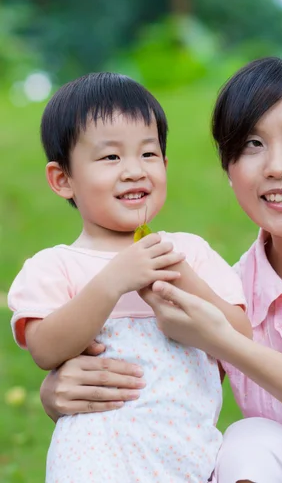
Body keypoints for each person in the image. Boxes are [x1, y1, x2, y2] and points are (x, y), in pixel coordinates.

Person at [40, 57, 282, 483]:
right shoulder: (228, 290)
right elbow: (162, 374)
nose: (277, 166)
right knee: (249, 441)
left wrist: (222, 339)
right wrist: (56, 393)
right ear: (229, 170)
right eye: (251, 145)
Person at [8, 72, 251, 483]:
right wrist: (111, 282)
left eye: (148, 155)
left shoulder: (189, 253)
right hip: (95, 461)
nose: (134, 171)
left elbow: (240, 336)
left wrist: (183, 277)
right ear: (62, 179)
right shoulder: (55, 266)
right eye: (110, 158)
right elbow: (45, 349)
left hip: (190, 457)